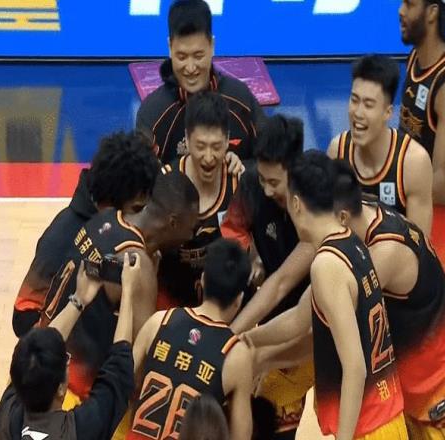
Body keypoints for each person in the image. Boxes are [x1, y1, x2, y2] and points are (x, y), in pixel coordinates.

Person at [246, 150, 406, 440]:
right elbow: (298, 319)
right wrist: (245, 339)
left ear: (296, 204)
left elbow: (355, 368)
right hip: (385, 414)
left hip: (369, 426)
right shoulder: (350, 240)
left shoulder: (326, 265)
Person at [330, 161, 445, 439]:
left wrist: (260, 350)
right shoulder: (366, 210)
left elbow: (316, 321)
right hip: (419, 384)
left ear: (340, 217)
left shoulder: (384, 254)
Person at [38, 170, 199, 404]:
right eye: (191, 227)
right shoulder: (136, 262)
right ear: (173, 222)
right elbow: (141, 358)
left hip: (38, 363)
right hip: (70, 396)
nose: (191, 236)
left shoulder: (107, 217)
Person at [13, 131, 161, 337]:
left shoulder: (107, 226)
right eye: (136, 209)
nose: (140, 217)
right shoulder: (63, 235)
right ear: (116, 203)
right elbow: (22, 314)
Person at [222, 114, 314, 439]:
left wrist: (233, 338)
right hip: (274, 313)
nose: (266, 188)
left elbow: (282, 283)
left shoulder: (317, 200)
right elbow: (232, 234)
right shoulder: (251, 184)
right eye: (262, 178)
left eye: (274, 182)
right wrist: (251, 255)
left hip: (315, 320)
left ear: (296, 170)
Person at [0, 256, 142, 440]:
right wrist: (128, 291)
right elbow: (118, 371)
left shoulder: (6, 417)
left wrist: (78, 300)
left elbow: (118, 373)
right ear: (60, 389)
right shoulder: (80, 430)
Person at [127, 239, 253, 440]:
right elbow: (241, 436)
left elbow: (120, 384)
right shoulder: (236, 354)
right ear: (239, 299)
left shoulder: (159, 321)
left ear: (202, 280)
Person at [398, 0, 445, 300]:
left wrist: (390, 180)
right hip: (417, 212)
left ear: (432, 12)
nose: (401, 11)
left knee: (443, 322)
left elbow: (442, 188)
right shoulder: (415, 59)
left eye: (409, 3)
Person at [135, 0, 264, 165]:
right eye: (182, 57)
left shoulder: (241, 99)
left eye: (198, 56)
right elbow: (141, 176)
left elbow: (273, 160)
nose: (190, 68)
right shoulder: (152, 114)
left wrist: (243, 170)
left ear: (212, 45)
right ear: (169, 47)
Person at [327, 54, 433, 234]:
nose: (358, 113)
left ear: (388, 112)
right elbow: (326, 227)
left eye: (368, 105)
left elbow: (419, 245)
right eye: (354, 100)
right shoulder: (337, 151)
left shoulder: (413, 163)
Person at [158, 90, 239, 307]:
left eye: (216, 146)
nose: (209, 157)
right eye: (200, 146)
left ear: (228, 140)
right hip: (173, 303)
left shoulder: (239, 181)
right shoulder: (164, 183)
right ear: (186, 139)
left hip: (224, 305)